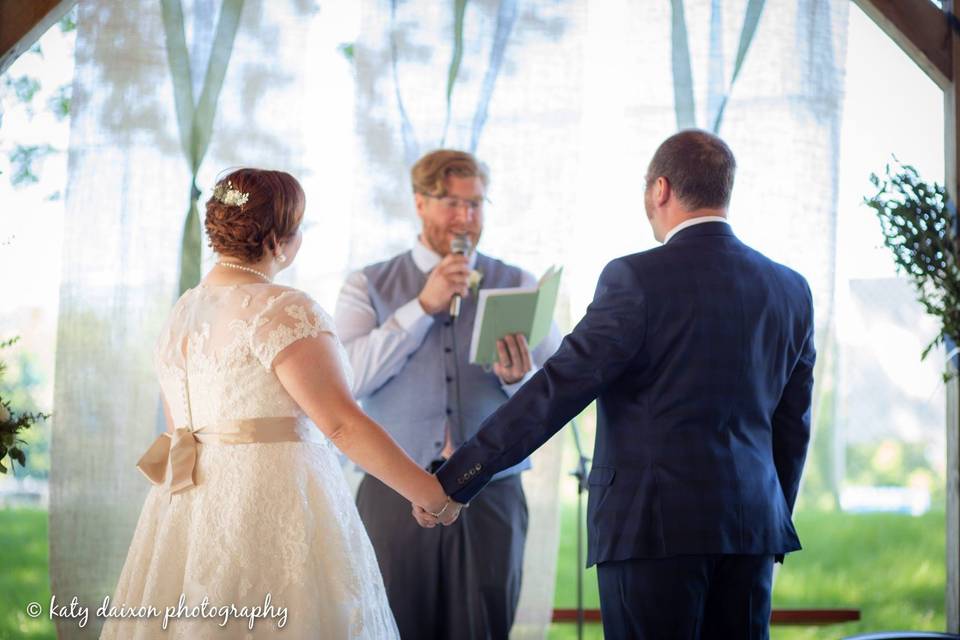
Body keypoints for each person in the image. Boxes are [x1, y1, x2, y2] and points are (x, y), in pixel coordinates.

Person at [422, 130, 816, 639]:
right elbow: (793, 425)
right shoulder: (790, 288)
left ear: (661, 189)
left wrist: (457, 478)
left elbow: (557, 390)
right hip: (752, 529)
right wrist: (769, 516)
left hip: (652, 529)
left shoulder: (636, 278)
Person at [100, 168, 460, 640]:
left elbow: (179, 426)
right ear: (279, 240)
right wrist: (429, 492)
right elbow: (341, 424)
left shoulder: (182, 312)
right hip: (270, 505)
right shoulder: (283, 308)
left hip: (188, 511)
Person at [334, 149, 561, 639]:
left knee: (484, 628)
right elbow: (348, 379)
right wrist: (421, 307)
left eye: (476, 205)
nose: (467, 218)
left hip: (492, 494)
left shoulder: (518, 283)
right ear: (419, 202)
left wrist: (516, 378)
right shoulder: (368, 284)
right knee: (390, 626)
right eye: (452, 204)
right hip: (391, 492)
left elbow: (557, 389)